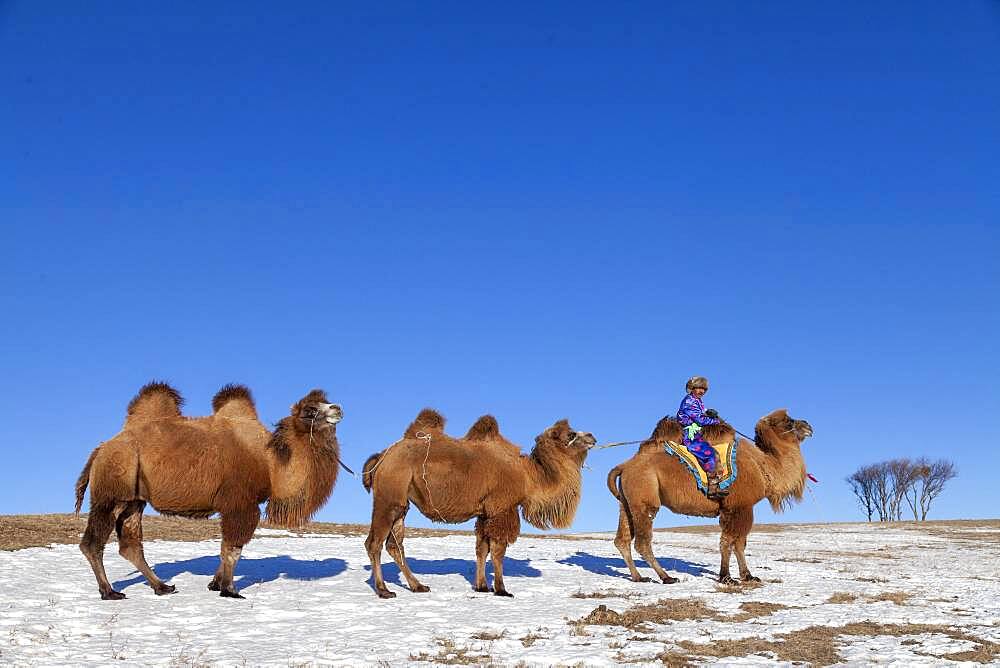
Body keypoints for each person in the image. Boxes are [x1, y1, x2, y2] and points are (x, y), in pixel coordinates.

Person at [676, 376, 728, 499]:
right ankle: (712, 488)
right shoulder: (689, 401)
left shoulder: (697, 400)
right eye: (699, 388)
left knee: (715, 452)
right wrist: (715, 421)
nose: (702, 391)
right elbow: (699, 419)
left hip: (697, 433)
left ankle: (717, 483)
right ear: (692, 388)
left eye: (704, 389)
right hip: (690, 435)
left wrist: (709, 412)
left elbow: (702, 412)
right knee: (709, 453)